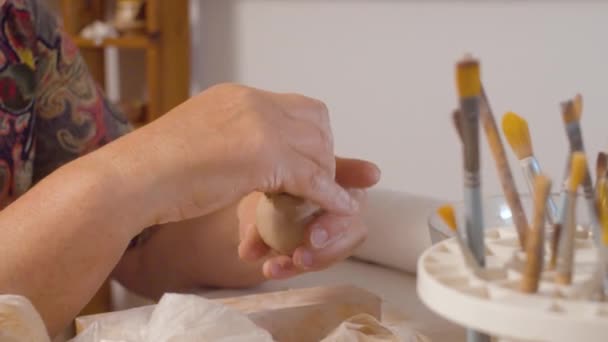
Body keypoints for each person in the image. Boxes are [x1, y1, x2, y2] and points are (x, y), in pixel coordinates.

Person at [0, 0, 381, 337]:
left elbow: (141, 247)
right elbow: (122, 194)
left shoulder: (20, 23)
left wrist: (261, 220)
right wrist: (143, 165)